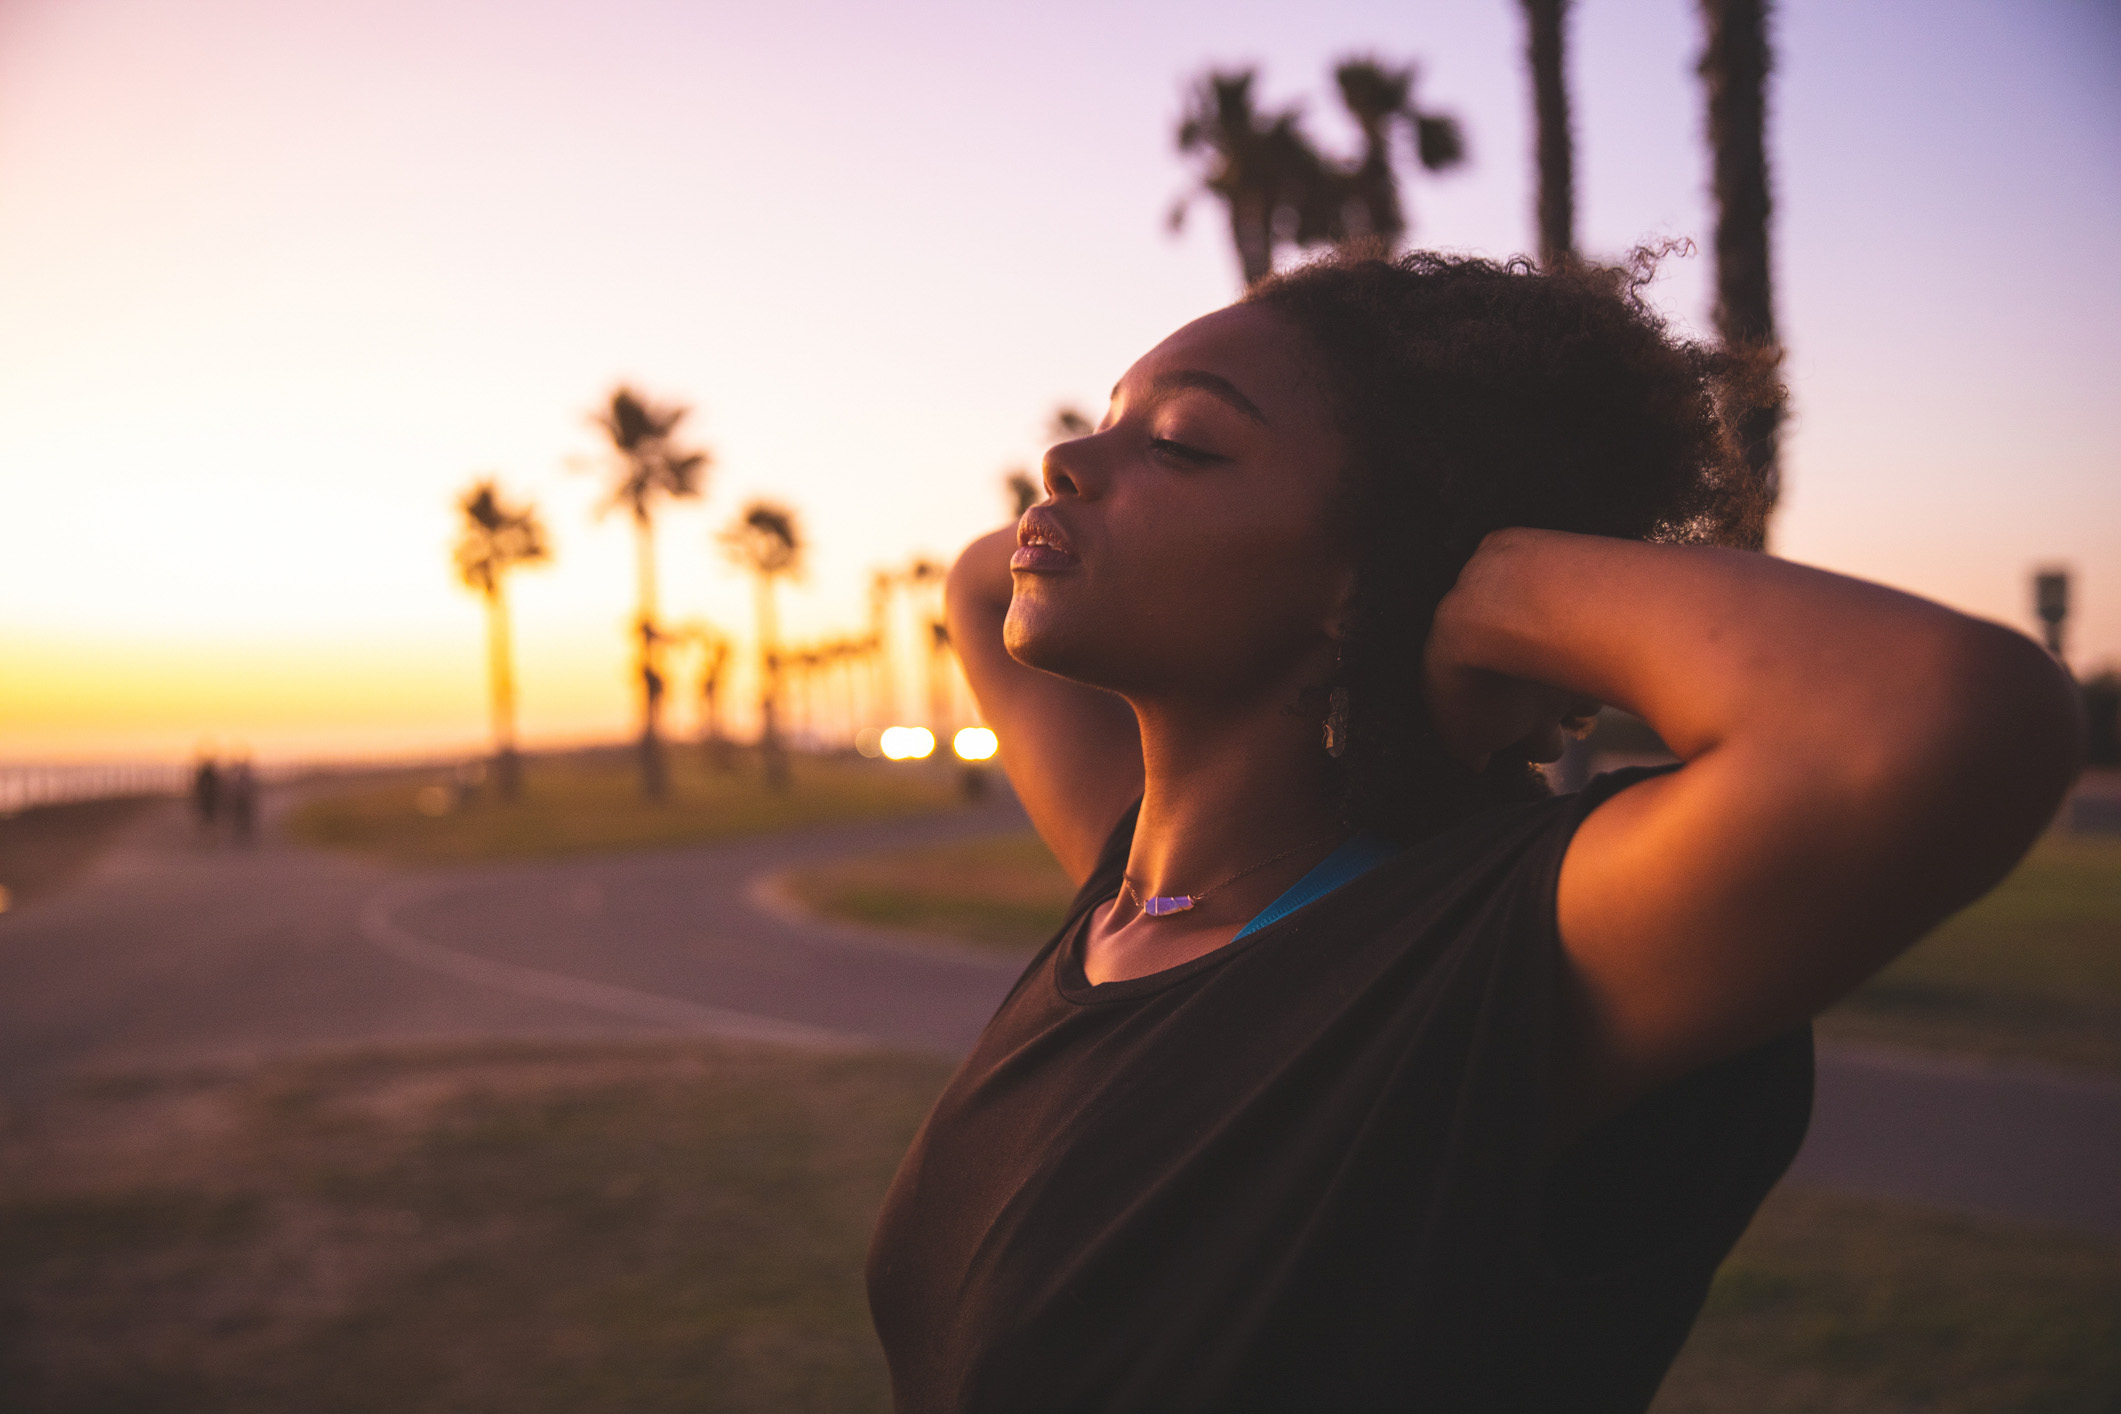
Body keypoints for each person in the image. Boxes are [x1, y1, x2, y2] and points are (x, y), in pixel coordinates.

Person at [864, 252, 2082, 1413]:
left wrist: (1483, 585)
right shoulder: (1136, 891)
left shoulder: (1482, 956)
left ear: (1367, 575)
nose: (1065, 457)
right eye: (1108, 416)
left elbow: (1935, 716)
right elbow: (981, 581)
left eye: (1181, 441)